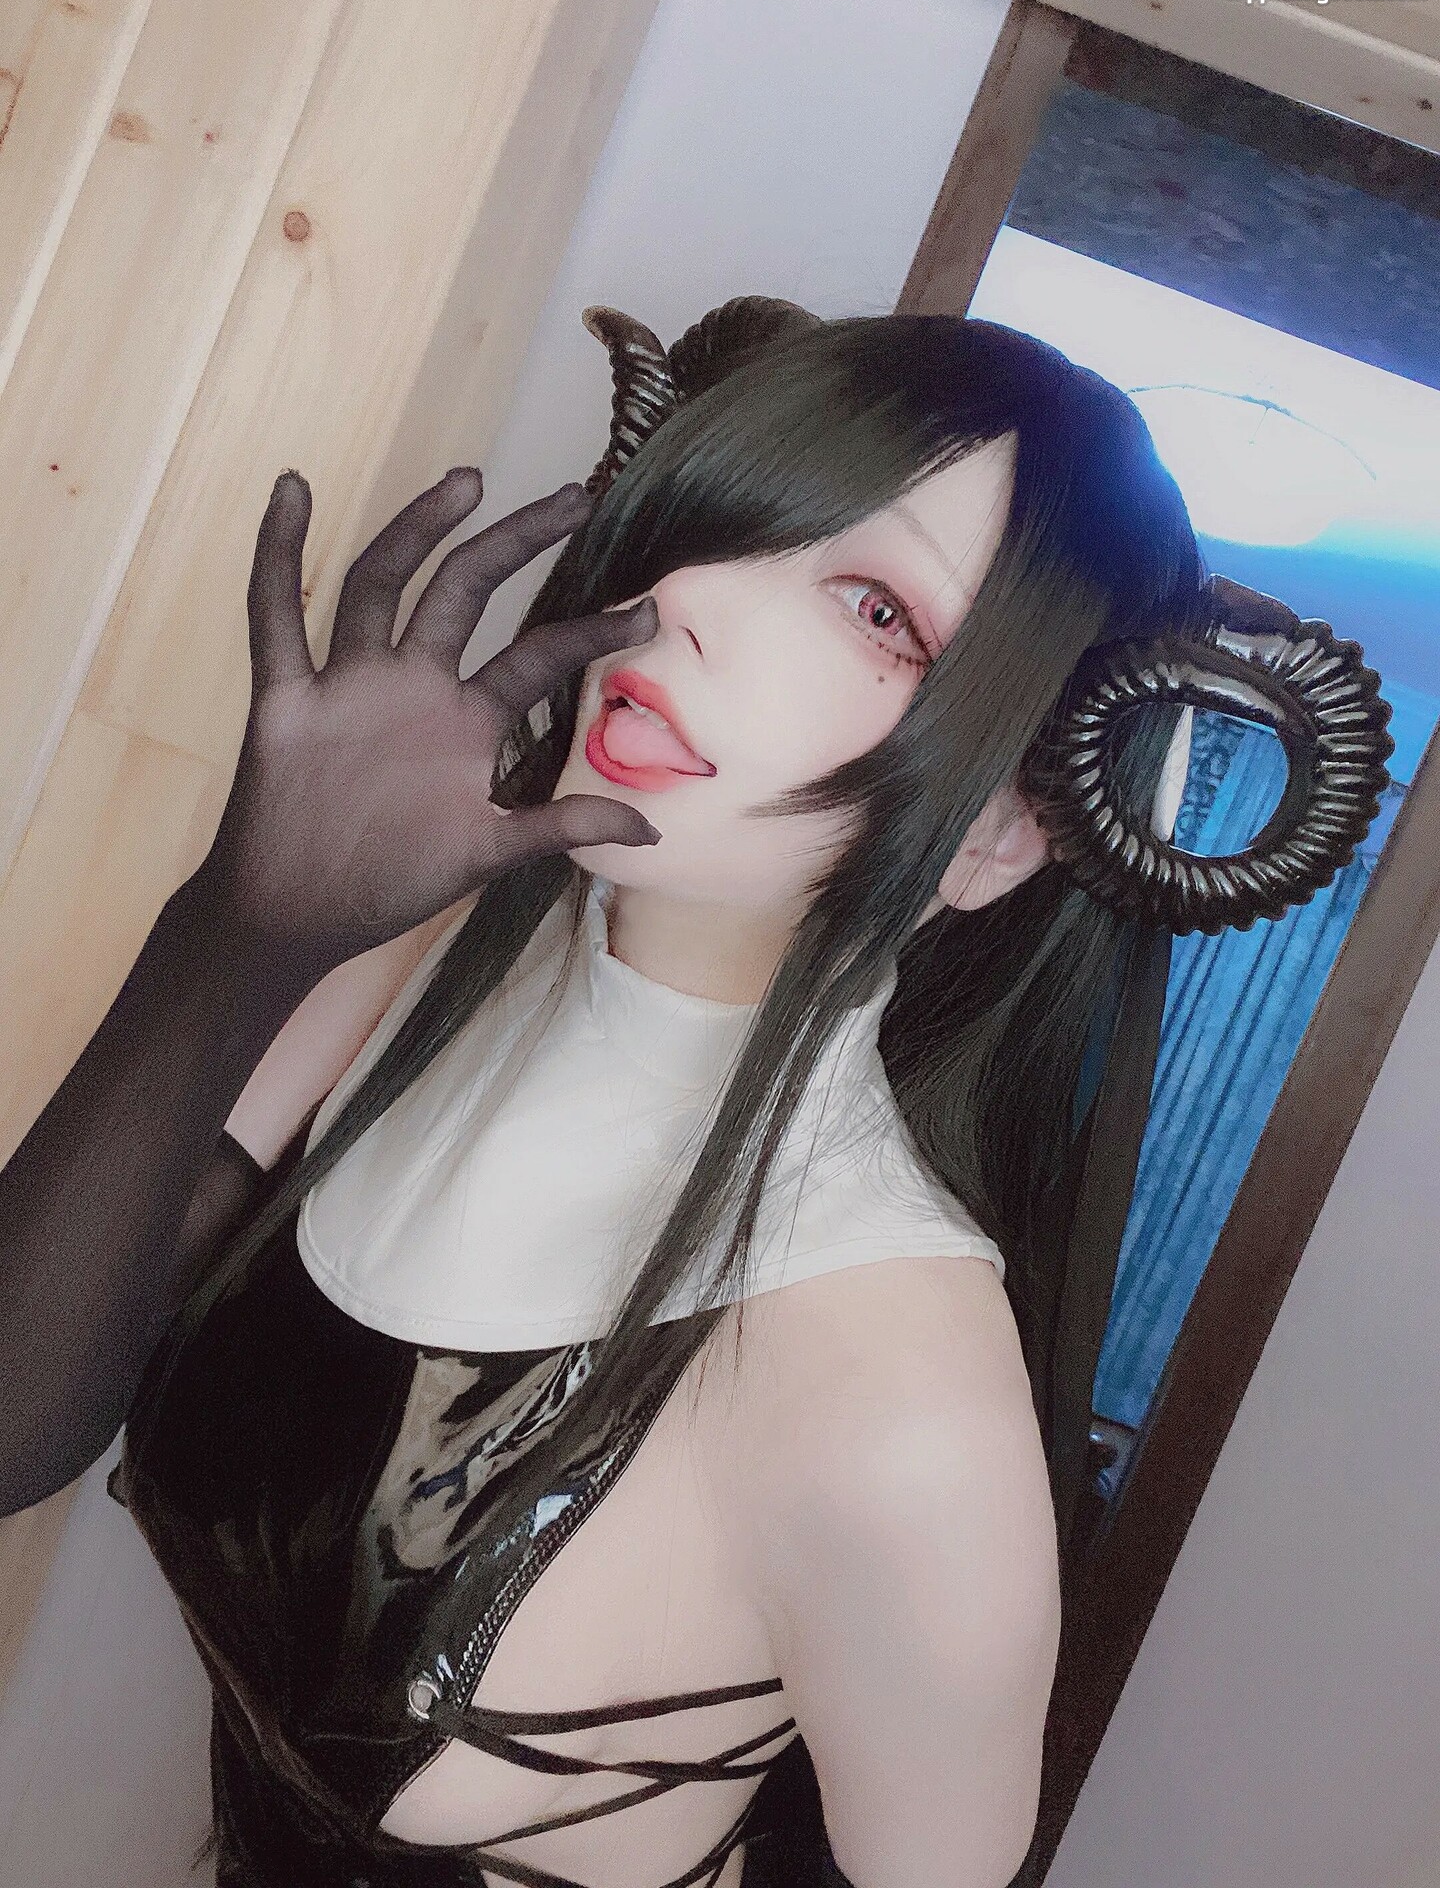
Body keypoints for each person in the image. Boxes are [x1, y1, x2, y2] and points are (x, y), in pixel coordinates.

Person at [0, 302, 1391, 1888]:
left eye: (877, 608)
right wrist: (239, 926)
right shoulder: (415, 965)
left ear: (1006, 833)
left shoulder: (904, 1407)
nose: (690, 603)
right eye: (720, 524)